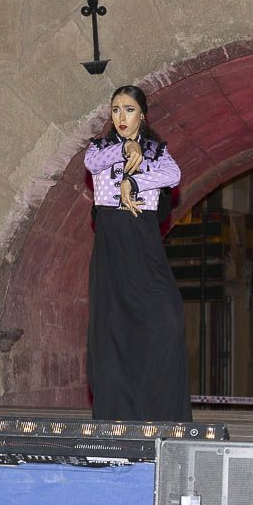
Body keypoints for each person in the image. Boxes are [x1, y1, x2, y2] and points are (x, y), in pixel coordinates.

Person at [85, 85, 191, 422]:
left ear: (142, 115)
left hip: (143, 241)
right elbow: (92, 163)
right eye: (115, 109)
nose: (121, 116)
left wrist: (136, 182)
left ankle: (159, 410)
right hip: (112, 243)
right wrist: (125, 150)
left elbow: (173, 175)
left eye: (128, 109)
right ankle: (118, 413)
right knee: (113, 327)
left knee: (168, 318)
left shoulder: (157, 151)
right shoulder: (99, 149)